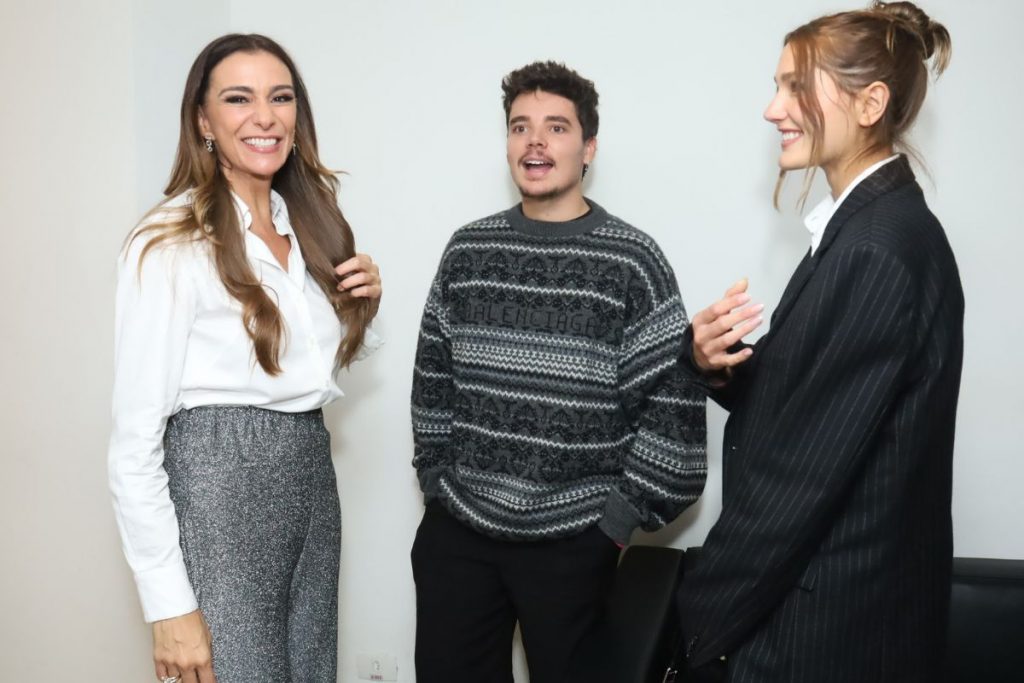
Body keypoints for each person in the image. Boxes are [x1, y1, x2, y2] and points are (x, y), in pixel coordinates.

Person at [673, 2, 963, 681]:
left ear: (870, 104)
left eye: (796, 87)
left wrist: (695, 621)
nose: (773, 109)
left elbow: (798, 479)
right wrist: (714, 364)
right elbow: (813, 407)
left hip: (822, 634)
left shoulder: (876, 247)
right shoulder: (865, 230)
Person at [409, 60, 707, 683]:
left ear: (588, 147)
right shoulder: (468, 250)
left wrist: (616, 524)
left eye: (556, 127)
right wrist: (436, 482)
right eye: (520, 127)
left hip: (574, 541)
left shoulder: (633, 260)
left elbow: (672, 408)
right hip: (460, 534)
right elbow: (433, 377)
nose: (535, 142)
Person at [108, 34, 382, 683]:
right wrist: (168, 606)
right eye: (239, 98)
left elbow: (303, 369)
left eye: (280, 97)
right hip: (220, 483)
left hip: (310, 476)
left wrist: (362, 307)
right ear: (203, 121)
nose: (265, 116)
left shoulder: (308, 225)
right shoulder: (169, 239)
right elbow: (133, 441)